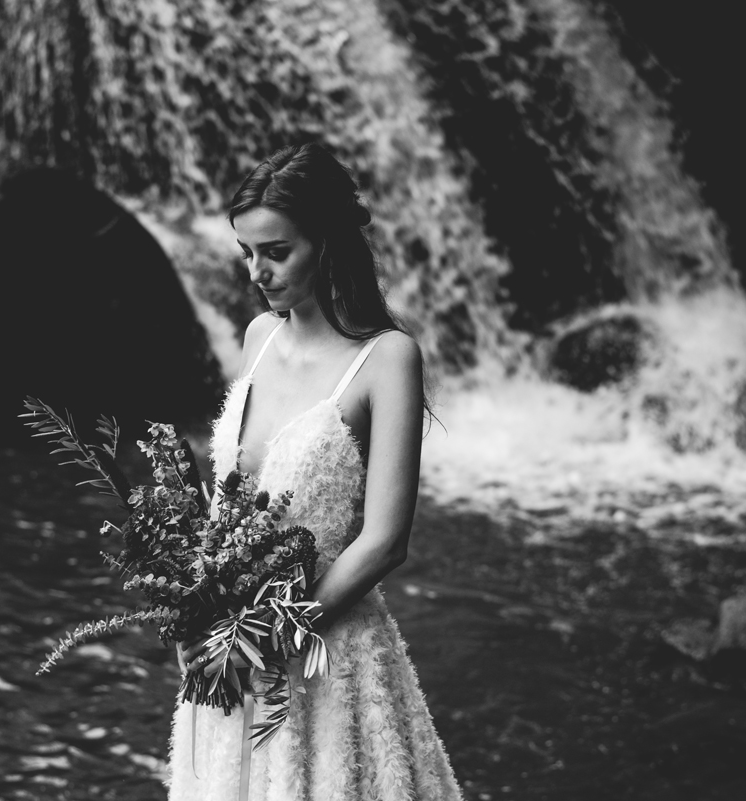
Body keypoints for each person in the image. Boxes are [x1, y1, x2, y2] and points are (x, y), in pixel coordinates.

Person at [166, 143, 463, 801]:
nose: (257, 272)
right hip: (231, 658)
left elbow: (386, 540)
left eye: (276, 252)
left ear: (326, 242)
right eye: (247, 253)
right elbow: (228, 503)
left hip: (327, 651)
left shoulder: (387, 360)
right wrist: (200, 613)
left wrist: (274, 630)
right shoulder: (255, 339)